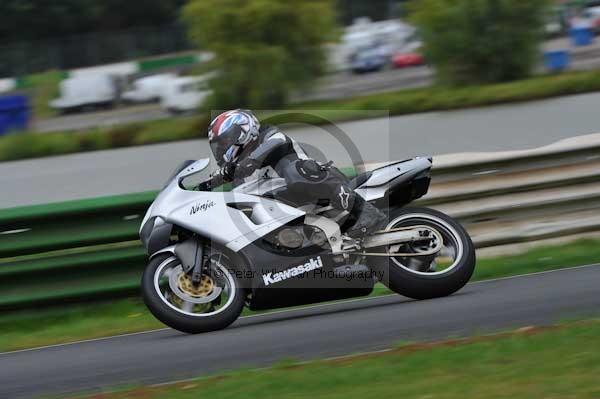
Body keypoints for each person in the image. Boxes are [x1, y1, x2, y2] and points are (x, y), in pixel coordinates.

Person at [199, 109, 386, 238]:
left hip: (320, 181)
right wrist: (202, 188)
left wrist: (249, 162)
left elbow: (275, 144)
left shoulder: (269, 136)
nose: (221, 149)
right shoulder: (238, 170)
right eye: (219, 145)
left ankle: (364, 212)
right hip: (293, 208)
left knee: (296, 172)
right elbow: (218, 180)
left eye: (224, 142)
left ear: (241, 131)